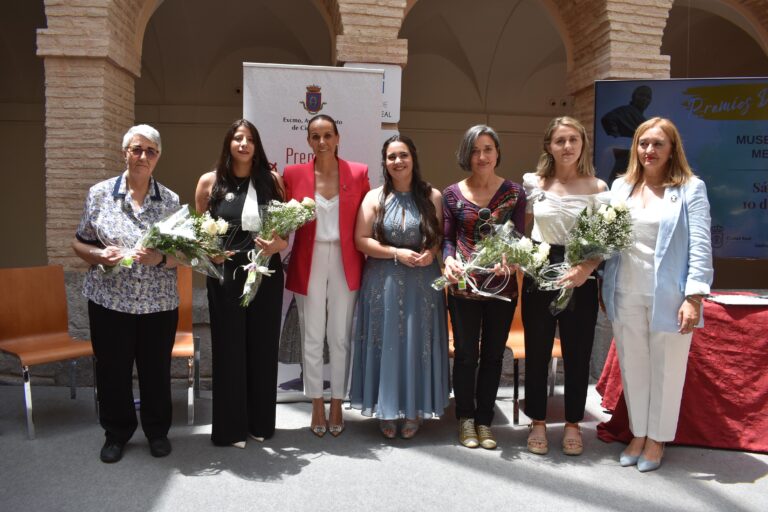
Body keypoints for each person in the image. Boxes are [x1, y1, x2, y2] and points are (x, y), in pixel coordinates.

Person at [602, 117, 713, 472]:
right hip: (625, 289)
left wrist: (694, 297)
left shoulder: (691, 188)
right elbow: (605, 241)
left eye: (657, 144)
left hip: (670, 295)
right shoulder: (620, 188)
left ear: (672, 149)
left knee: (667, 369)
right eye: (643, 143)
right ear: (635, 147)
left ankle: (657, 439)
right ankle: (638, 433)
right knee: (634, 366)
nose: (649, 150)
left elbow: (700, 245)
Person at [72, 124, 179, 463]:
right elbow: (79, 242)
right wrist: (98, 255)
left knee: (156, 370)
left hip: (158, 303)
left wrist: (161, 257)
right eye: (137, 149)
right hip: (109, 301)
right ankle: (116, 433)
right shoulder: (100, 194)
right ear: (125, 153)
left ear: (158, 157)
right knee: (112, 370)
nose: (143, 156)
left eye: (150, 151)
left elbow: (185, 256)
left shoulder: (171, 201)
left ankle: (157, 432)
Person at [349, 135, 450, 439]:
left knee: (418, 342)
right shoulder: (374, 197)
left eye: (403, 155)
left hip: (423, 281)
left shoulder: (432, 195)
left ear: (413, 158)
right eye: (391, 157)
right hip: (384, 280)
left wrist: (431, 253)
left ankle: (415, 409)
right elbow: (361, 239)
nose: (397, 162)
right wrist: (396, 253)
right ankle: (387, 408)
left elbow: (439, 236)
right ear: (385, 162)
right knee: (387, 342)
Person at [195, 119, 286, 448]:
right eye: (237, 138)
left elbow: (282, 232)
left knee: (261, 347)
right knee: (230, 348)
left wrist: (279, 245)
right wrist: (209, 253)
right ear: (228, 144)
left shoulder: (272, 181)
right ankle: (231, 429)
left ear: (257, 146)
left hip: (265, 273)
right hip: (226, 275)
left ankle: (260, 422)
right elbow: (199, 232)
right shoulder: (210, 182)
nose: (243, 144)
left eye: (249, 139)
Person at [521, 116, 608, 456]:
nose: (567, 146)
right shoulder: (533, 183)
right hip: (540, 268)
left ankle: (573, 423)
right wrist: (519, 256)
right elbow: (524, 229)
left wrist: (586, 268)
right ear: (549, 146)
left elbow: (605, 241)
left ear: (583, 143)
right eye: (560, 141)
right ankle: (538, 422)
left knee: (578, 350)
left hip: (581, 272)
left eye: (573, 139)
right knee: (538, 350)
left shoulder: (598, 188)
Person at [283, 114, 370, 437]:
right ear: (308, 140)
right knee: (312, 334)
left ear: (337, 138)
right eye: (315, 136)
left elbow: (368, 216)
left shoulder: (358, 173)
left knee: (340, 336)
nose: (322, 142)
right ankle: (316, 401)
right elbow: (281, 217)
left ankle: (337, 401)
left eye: (327, 135)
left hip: (346, 260)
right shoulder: (292, 174)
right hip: (309, 259)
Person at [442, 125, 526, 449]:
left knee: (493, 356)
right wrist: (447, 260)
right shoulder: (451, 194)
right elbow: (447, 240)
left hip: (502, 287)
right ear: (467, 154)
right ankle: (465, 419)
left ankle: (484, 421)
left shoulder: (515, 193)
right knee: (465, 356)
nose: (482, 156)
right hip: (464, 286)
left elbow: (518, 236)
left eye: (488, 148)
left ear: (497, 152)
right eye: (475, 150)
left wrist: (512, 256)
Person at [601, 85, 653, 185]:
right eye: (641, 95)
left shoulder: (643, 120)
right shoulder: (624, 111)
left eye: (648, 97)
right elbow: (607, 119)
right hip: (624, 155)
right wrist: (617, 137)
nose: (644, 99)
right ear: (634, 96)